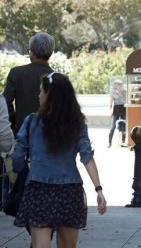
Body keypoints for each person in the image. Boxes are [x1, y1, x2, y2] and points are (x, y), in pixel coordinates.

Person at [11, 72, 107, 247]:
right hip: (69, 192)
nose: (38, 95)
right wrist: (98, 189)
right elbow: (87, 156)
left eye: (41, 91)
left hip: (39, 191)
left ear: (49, 94)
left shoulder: (31, 122)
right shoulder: (77, 124)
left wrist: (21, 169)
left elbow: (17, 159)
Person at [3, 32, 55, 134]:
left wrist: (15, 121)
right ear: (51, 53)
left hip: (21, 131)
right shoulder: (59, 78)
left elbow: (5, 102)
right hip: (49, 135)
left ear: (33, 52)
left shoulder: (16, 73)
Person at [108, 79, 127, 148]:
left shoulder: (124, 92)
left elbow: (126, 100)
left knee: (123, 125)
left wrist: (121, 92)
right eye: (116, 84)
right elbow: (111, 101)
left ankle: (123, 142)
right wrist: (110, 111)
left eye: (119, 84)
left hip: (123, 108)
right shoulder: (112, 92)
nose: (117, 86)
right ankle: (109, 142)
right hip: (116, 108)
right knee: (113, 126)